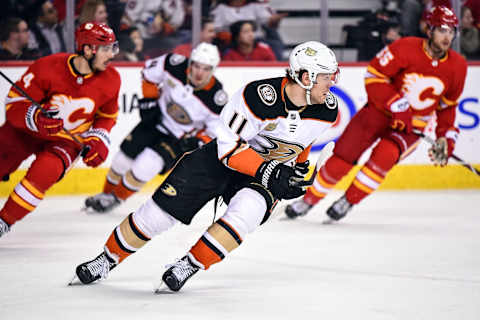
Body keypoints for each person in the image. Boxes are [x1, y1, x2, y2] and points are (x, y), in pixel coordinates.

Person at [72, 40, 339, 291]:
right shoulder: (257, 97)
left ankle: (189, 265)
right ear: (306, 78)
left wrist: (299, 170)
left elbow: (303, 138)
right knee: (156, 216)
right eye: (327, 77)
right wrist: (270, 171)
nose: (332, 83)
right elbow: (228, 149)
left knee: (248, 213)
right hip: (222, 160)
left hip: (261, 172)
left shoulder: (327, 109)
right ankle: (106, 259)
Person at [284, 6, 467, 222]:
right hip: (379, 112)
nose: (447, 36)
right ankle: (309, 199)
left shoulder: (458, 66)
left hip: (411, 128)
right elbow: (374, 76)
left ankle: (349, 200)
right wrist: (398, 106)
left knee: (384, 158)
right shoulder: (405, 47)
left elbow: (447, 107)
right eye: (442, 30)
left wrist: (446, 137)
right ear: (429, 30)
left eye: (451, 31)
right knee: (343, 156)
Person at [0, 22, 121, 238]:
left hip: (66, 141)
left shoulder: (112, 79)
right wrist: (36, 118)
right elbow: (14, 104)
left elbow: (107, 116)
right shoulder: (47, 66)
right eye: (106, 49)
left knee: (45, 172)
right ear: (87, 50)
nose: (112, 54)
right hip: (27, 132)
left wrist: (98, 138)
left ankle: (3, 222)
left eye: (113, 47)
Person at [83, 42, 228, 213]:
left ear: (213, 70)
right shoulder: (173, 64)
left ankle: (115, 199)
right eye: (196, 66)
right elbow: (149, 74)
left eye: (206, 68)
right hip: (155, 120)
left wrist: (196, 142)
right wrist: (150, 100)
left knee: (146, 166)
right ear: (190, 63)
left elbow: (215, 131)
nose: (199, 73)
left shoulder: (217, 99)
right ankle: (105, 194)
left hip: (177, 138)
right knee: (121, 160)